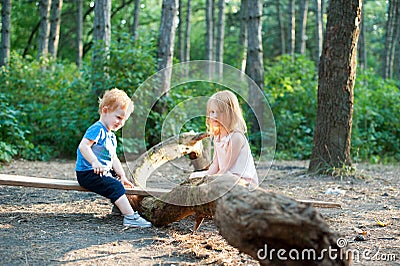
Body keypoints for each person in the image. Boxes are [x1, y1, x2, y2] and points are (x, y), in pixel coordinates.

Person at [75, 88, 151, 228]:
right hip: (88, 172)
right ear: (105, 110)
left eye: (124, 120)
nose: (121, 123)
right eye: (118, 117)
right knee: (113, 185)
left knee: (118, 182)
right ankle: (130, 217)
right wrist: (94, 161)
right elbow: (83, 146)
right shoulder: (97, 129)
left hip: (101, 171)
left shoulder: (111, 135)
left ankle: (119, 208)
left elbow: (113, 157)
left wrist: (122, 175)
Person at [190, 90, 258, 186]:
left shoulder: (236, 137)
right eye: (212, 112)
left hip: (241, 179)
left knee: (215, 183)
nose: (215, 116)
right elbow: (215, 165)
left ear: (231, 113)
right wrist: (206, 178)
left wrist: (210, 181)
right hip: (225, 175)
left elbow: (226, 168)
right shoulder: (218, 136)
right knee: (194, 176)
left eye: (220, 112)